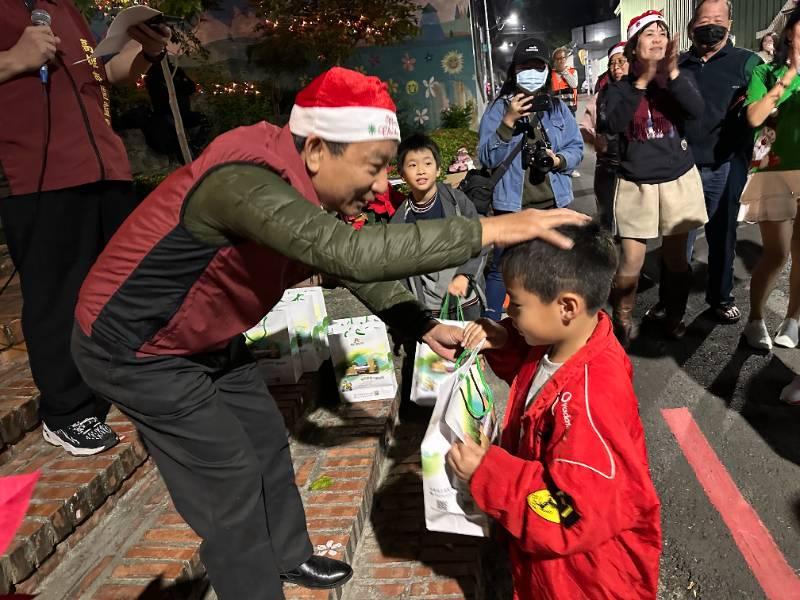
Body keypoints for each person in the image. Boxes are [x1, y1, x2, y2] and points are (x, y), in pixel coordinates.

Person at [69, 67, 590, 599]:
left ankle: (290, 556)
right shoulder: (242, 181)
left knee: (267, 439)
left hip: (205, 338)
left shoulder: (303, 193)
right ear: (316, 150)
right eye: (375, 167)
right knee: (229, 481)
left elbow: (347, 265)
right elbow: (349, 253)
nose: (382, 184)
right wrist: (493, 227)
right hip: (137, 348)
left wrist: (421, 325)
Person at [447, 223, 662, 600]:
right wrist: (504, 340)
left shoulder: (591, 402)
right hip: (549, 565)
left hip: (584, 579)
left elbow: (570, 513)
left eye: (517, 302)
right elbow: (535, 380)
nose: (507, 309)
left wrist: (487, 472)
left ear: (566, 306)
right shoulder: (560, 345)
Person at [0, 2, 170, 455]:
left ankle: (121, 380)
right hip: (36, 174)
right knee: (57, 295)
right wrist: (14, 60)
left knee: (120, 288)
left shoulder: (63, 9)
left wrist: (145, 51)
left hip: (105, 167)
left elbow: (103, 76)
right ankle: (67, 411)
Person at [601, 10, 708, 346]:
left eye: (662, 32)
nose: (658, 38)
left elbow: (697, 110)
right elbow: (613, 123)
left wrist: (671, 73)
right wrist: (642, 81)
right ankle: (623, 317)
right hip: (635, 183)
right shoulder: (617, 87)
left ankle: (674, 315)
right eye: (649, 33)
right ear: (634, 45)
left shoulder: (676, 79)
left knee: (676, 258)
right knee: (631, 259)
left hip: (678, 177)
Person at [478, 38, 584, 321]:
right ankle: (490, 323)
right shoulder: (497, 110)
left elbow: (576, 148)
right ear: (514, 70)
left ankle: (547, 322)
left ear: (546, 70)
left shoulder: (558, 108)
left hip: (555, 204)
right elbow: (487, 158)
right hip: (512, 206)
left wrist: (559, 159)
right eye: (526, 65)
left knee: (555, 265)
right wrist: (508, 121)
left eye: (538, 66)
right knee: (503, 268)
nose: (531, 71)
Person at [676, 0, 763, 324]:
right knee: (678, 242)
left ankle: (720, 297)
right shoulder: (678, 65)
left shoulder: (748, 63)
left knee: (723, 237)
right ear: (691, 25)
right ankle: (675, 302)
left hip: (727, 164)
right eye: (704, 19)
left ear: (729, 23)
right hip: (683, 168)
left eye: (717, 18)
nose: (710, 24)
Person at [740, 5, 800, 357]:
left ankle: (793, 318)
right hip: (774, 169)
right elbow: (755, 116)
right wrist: (789, 77)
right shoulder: (766, 71)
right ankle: (756, 318)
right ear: (786, 37)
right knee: (776, 253)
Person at [390, 133, 487, 320]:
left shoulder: (457, 202)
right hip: (430, 308)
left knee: (472, 348)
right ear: (402, 175)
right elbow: (399, 273)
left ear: (438, 169)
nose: (420, 170)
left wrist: (465, 275)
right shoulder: (400, 220)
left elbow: (482, 240)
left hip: (465, 300)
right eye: (412, 165)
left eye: (427, 163)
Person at [580, 41, 628, 230]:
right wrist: (593, 139)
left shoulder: (643, 93)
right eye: (612, 63)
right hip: (607, 167)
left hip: (635, 169)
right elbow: (583, 127)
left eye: (621, 61)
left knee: (631, 222)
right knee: (605, 216)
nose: (616, 67)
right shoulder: (601, 97)